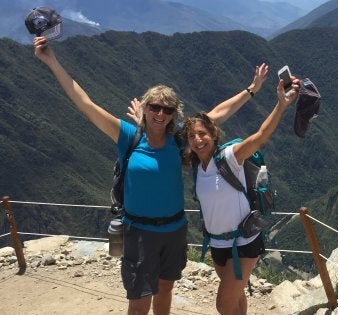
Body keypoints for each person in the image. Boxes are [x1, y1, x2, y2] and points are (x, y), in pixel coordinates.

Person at [32, 35, 269, 315]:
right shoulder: (128, 137)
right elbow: (85, 104)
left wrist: (252, 90)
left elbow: (216, 114)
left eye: (167, 109)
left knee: (166, 290)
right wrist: (52, 60)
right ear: (144, 108)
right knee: (140, 299)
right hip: (139, 232)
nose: (160, 113)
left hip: (174, 230)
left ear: (173, 114)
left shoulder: (179, 139)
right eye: (154, 107)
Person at [181, 76, 299, 315]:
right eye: (192, 136)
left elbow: (260, 136)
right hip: (216, 243)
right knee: (235, 300)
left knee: (223, 304)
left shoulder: (230, 158)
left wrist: (281, 104)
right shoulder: (197, 167)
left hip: (243, 242)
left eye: (202, 133)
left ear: (213, 135)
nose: (197, 140)